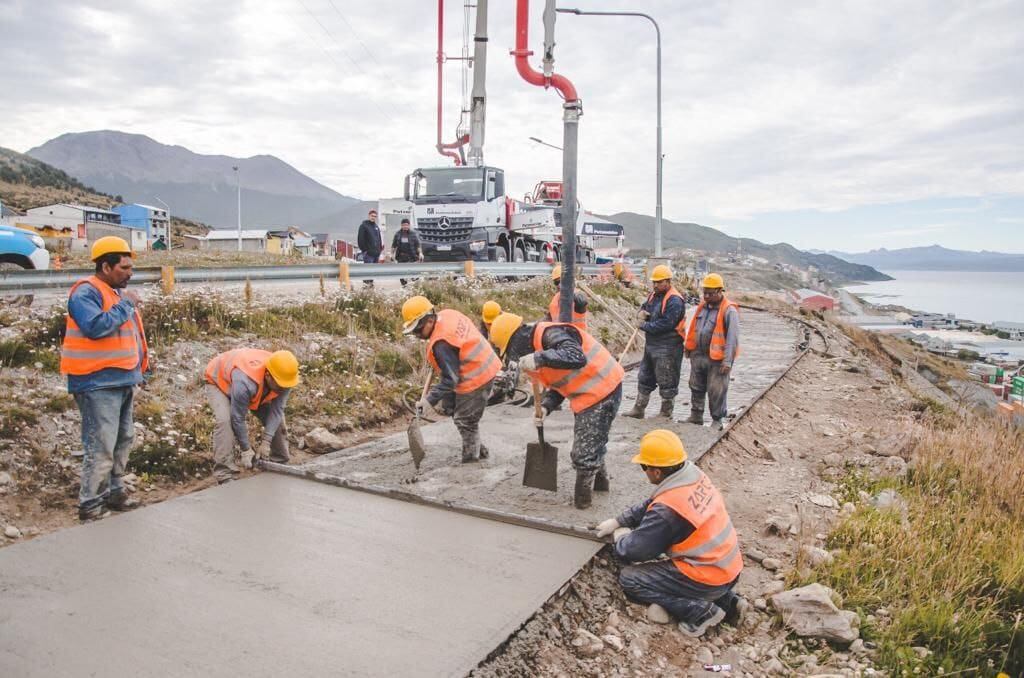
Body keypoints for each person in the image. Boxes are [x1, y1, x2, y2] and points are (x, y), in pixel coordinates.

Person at [596, 429, 745, 637]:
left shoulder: (668, 511)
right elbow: (654, 501)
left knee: (630, 579)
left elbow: (634, 551)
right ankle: (729, 602)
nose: (643, 471)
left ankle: (700, 612)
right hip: (729, 568)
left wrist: (621, 537)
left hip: (708, 577)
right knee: (671, 561)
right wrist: (620, 520)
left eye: (644, 466)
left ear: (656, 471)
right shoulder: (692, 476)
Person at [488, 312, 624, 508]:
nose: (514, 356)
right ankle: (601, 486)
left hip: (602, 389)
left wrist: (539, 358)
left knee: (583, 453)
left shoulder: (550, 334)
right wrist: (546, 406)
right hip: (590, 393)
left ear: (517, 338)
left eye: (511, 350)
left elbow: (576, 356)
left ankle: (582, 503)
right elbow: (561, 381)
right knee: (593, 441)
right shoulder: (537, 346)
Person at [60, 236, 149, 522]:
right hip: (96, 383)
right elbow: (95, 327)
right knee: (101, 444)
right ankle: (90, 504)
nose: (130, 272)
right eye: (124, 267)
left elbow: (130, 338)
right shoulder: (86, 293)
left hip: (121, 380)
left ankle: (115, 492)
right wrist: (126, 306)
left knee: (123, 439)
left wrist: (139, 372)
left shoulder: (115, 294)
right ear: (106, 266)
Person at [402, 296, 501, 463]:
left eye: (418, 330)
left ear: (429, 319)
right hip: (486, 362)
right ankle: (480, 450)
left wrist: (428, 401)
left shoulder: (441, 343)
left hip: (476, 376)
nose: (417, 335)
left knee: (465, 420)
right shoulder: (448, 314)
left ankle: (471, 461)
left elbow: (450, 380)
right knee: (456, 412)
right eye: (414, 332)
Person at [204, 348, 300, 483]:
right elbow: (238, 418)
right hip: (220, 381)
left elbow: (277, 410)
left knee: (278, 421)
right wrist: (246, 449)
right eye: (280, 386)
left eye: (286, 386)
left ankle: (279, 462)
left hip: (253, 386)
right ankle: (224, 474)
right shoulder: (246, 382)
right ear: (268, 375)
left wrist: (266, 441)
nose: (283, 389)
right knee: (225, 421)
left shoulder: (284, 378)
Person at [625, 265, 686, 420]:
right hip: (652, 345)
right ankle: (639, 408)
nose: (655, 285)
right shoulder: (654, 295)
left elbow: (666, 324)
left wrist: (644, 326)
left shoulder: (675, 300)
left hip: (669, 346)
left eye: (659, 282)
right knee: (645, 376)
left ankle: (666, 413)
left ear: (668, 281)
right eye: (654, 282)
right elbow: (646, 306)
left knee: (667, 379)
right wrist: (642, 312)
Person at [684, 273, 740, 429]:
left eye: (710, 293)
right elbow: (694, 329)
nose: (707, 296)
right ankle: (696, 415)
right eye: (705, 292)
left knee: (716, 390)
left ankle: (717, 420)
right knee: (696, 386)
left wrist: (728, 361)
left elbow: (732, 338)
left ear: (720, 291)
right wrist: (689, 348)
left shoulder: (729, 311)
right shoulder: (702, 307)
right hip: (699, 355)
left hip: (717, 360)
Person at [544, 264, 588, 330]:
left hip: (578, 335)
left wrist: (569, 292)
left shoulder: (577, 294)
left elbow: (581, 301)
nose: (559, 285)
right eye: (556, 282)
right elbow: (548, 319)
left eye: (561, 281)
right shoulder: (554, 300)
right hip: (561, 336)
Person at [391, 218, 423, 286]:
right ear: (401, 225)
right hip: (401, 257)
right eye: (404, 225)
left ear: (409, 225)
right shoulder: (397, 234)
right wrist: (392, 254)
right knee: (402, 274)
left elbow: (418, 245)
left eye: (407, 225)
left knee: (414, 275)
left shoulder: (413, 234)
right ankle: (404, 286)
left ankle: (414, 287)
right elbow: (394, 245)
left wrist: (420, 253)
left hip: (412, 257)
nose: (405, 226)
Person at [356, 208, 383, 286]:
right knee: (367, 271)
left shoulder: (376, 227)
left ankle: (370, 285)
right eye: (372, 216)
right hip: (368, 254)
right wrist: (365, 250)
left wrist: (379, 250)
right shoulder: (364, 226)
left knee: (373, 271)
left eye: (375, 216)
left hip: (376, 254)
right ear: (369, 216)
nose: (373, 217)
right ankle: (366, 286)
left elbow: (379, 239)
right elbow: (360, 239)